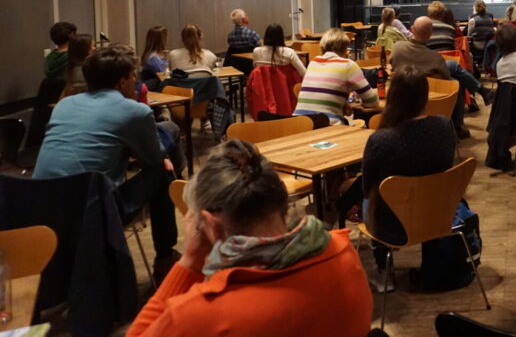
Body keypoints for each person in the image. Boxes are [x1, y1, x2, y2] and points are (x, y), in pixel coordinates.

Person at [127, 139, 372, 336]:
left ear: (209, 224)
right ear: (281, 199)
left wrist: (189, 261)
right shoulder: (345, 255)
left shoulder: (196, 315)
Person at [35, 45, 180, 268]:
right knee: (161, 170)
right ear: (122, 82)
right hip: (93, 211)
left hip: (42, 209)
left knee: (165, 137)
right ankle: (165, 256)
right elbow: (153, 160)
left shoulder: (63, 105)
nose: (135, 81)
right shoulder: (135, 110)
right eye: (133, 76)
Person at [361, 68, 456, 293]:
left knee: (362, 194)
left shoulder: (380, 140)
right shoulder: (444, 126)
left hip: (393, 227)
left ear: (393, 97)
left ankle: (384, 271)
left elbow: (367, 189)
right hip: (438, 215)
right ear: (425, 95)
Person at [392, 17, 492, 138]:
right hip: (428, 93)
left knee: (453, 65)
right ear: (429, 35)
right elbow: (448, 82)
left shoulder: (397, 47)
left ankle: (482, 90)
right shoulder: (435, 58)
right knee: (457, 83)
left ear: (412, 29)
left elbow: (392, 65)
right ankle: (457, 126)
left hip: (402, 91)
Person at [295, 28, 378, 125]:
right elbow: (372, 102)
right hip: (327, 126)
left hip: (300, 124)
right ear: (345, 48)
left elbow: (322, 93)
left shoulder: (313, 62)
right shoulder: (348, 65)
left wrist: (342, 103)